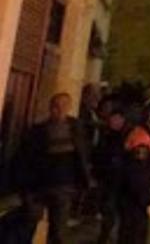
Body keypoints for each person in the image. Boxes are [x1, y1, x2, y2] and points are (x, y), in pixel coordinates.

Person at [14, 91, 93, 244]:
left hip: (64, 186)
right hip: (39, 185)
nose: (59, 110)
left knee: (58, 231)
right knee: (28, 225)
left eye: (63, 106)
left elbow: (83, 154)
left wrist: (83, 179)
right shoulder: (39, 131)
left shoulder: (76, 128)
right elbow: (26, 158)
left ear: (69, 107)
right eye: (56, 106)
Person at [117, 100, 150, 244]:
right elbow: (136, 174)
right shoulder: (141, 138)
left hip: (135, 195)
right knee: (133, 235)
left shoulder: (148, 135)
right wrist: (148, 201)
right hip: (133, 197)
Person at [93, 103, 128, 244]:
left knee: (112, 210)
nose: (113, 122)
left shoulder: (124, 137)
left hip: (118, 180)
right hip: (107, 178)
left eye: (117, 119)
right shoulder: (106, 135)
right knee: (108, 210)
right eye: (112, 119)